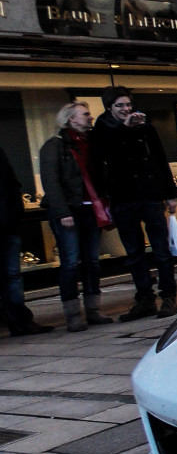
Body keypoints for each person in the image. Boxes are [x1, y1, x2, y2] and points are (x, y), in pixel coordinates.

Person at [90, 87, 177, 322]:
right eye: (120, 106)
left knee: (161, 249)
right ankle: (145, 298)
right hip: (123, 197)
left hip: (150, 195)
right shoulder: (102, 130)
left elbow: (160, 159)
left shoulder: (145, 127)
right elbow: (102, 159)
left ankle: (169, 296)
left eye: (128, 104)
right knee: (134, 252)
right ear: (109, 108)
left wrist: (171, 193)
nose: (126, 109)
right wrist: (125, 129)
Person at [39, 103, 112, 332]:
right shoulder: (54, 146)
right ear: (71, 119)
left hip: (91, 209)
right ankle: (72, 314)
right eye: (86, 114)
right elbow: (51, 182)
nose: (90, 117)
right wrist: (62, 212)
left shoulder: (89, 144)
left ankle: (93, 309)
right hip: (70, 210)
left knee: (92, 260)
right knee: (70, 262)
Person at [0, 146, 53, 337]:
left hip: (7, 225)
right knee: (12, 277)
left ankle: (21, 321)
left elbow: (12, 183)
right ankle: (18, 321)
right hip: (8, 222)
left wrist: (14, 214)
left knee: (13, 276)